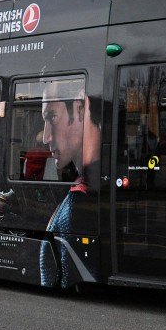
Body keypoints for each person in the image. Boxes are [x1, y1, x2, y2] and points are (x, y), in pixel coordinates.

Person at [38, 79, 103, 288]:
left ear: (80, 108)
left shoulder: (78, 205)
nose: (45, 137)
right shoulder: (87, 188)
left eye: (52, 117)